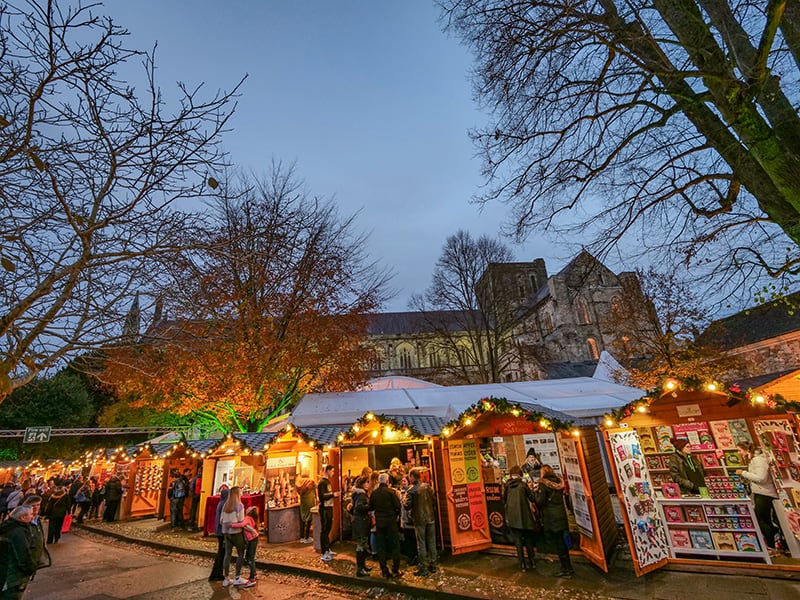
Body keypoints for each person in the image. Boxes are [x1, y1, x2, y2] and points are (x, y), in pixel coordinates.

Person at [738, 441, 782, 556]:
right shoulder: (754, 459)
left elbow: (762, 478)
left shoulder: (758, 460)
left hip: (765, 493)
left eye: (740, 450)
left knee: (761, 518)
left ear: (746, 449)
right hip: (760, 492)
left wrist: (743, 473)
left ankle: (772, 544)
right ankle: (772, 544)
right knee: (764, 518)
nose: (739, 453)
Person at [535, 464, 573, 578]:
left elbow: (540, 501)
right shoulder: (559, 483)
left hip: (551, 517)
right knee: (562, 540)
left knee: (559, 542)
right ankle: (567, 566)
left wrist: (536, 493)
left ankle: (566, 569)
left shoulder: (543, 484)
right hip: (560, 514)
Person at [504, 465, 538, 572]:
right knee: (528, 539)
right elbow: (532, 498)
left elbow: (503, 500)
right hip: (524, 516)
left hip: (513, 517)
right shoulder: (523, 485)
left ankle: (522, 564)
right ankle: (532, 561)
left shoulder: (507, 486)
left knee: (518, 541)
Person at [404, 467, 437, 576]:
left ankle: (423, 568)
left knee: (421, 544)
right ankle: (433, 565)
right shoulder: (427, 487)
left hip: (419, 520)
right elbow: (434, 500)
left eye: (410, 476)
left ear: (412, 477)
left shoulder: (411, 490)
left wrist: (403, 499)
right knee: (431, 542)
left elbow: (407, 506)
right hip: (430, 517)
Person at [369, 472, 403, 579]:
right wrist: (396, 516)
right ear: (387, 481)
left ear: (379, 481)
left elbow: (370, 507)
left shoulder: (374, 493)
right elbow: (398, 506)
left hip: (380, 523)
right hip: (391, 522)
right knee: (395, 545)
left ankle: (384, 571)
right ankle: (395, 569)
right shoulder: (391, 492)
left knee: (381, 547)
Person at [0, 506, 39, 599]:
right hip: (12, 576)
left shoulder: (6, 526)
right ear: (22, 517)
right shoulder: (19, 532)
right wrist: (31, 569)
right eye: (30, 514)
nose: (32, 516)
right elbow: (23, 555)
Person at [219, 486, 248, 587]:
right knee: (240, 553)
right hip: (236, 532)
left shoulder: (225, 505)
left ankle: (226, 578)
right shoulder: (239, 505)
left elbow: (221, 520)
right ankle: (237, 577)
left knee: (227, 554)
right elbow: (241, 520)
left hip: (227, 533)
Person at [347, 476, 372, 577]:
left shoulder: (357, 494)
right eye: (366, 483)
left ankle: (363, 566)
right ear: (362, 484)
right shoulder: (361, 495)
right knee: (361, 545)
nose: (368, 484)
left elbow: (353, 509)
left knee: (363, 544)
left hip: (359, 522)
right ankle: (360, 569)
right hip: (361, 522)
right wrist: (370, 506)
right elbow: (359, 507)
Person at [230, 506, 259, 587]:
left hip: (252, 539)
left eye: (249, 508)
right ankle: (254, 573)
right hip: (254, 539)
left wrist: (232, 525)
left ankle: (252, 578)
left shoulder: (247, 518)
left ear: (249, 512)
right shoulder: (251, 519)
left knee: (250, 558)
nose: (247, 508)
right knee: (250, 557)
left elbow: (242, 524)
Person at [21, 496, 49, 573]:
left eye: (38, 505)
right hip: (24, 562)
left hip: (34, 560)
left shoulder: (37, 520)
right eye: (33, 505)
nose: (36, 507)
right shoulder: (23, 521)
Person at [317, 464, 339, 562]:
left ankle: (327, 549)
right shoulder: (322, 482)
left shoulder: (327, 482)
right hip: (324, 508)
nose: (333, 473)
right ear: (328, 470)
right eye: (332, 471)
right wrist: (333, 494)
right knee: (324, 529)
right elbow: (322, 496)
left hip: (329, 507)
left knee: (328, 528)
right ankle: (324, 552)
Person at [208, 485, 229, 582]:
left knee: (221, 552)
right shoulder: (224, 504)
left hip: (219, 531)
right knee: (221, 552)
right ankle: (216, 573)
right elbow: (223, 520)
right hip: (222, 532)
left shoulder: (220, 503)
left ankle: (217, 573)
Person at [294, 470, 316, 543]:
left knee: (302, 519)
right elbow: (315, 492)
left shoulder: (298, 483)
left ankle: (302, 537)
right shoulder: (311, 482)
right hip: (310, 502)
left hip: (303, 502)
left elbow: (298, 493)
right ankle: (307, 537)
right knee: (309, 519)